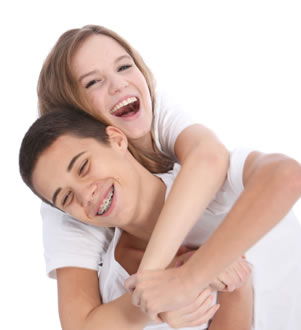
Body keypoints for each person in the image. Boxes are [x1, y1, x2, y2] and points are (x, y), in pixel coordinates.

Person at [19, 108, 301, 330]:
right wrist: (236, 288)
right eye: (66, 198)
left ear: (116, 139)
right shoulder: (121, 289)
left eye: (84, 167)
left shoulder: (222, 177)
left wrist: (188, 278)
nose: (86, 195)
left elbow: (292, 177)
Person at [37, 24, 232, 328]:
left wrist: (164, 282)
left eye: (125, 66)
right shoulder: (67, 200)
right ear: (71, 119)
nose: (118, 85)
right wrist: (156, 299)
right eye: (93, 83)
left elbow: (208, 157)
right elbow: (79, 324)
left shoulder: (153, 108)